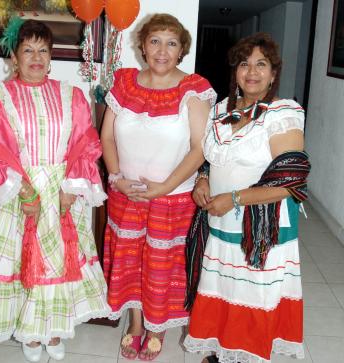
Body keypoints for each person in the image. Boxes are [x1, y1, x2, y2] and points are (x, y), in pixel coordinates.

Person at [0, 18, 110, 362]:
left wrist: (71, 187)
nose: (36, 57)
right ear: (14, 56)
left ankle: (53, 329)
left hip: (61, 192)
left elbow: (85, 142)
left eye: (43, 50)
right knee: (22, 264)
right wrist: (24, 190)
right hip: (17, 192)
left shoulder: (71, 95)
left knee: (57, 263)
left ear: (52, 56)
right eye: (28, 50)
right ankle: (30, 333)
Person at [184, 32, 311, 363]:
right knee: (225, 289)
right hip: (221, 219)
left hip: (261, 225)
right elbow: (212, 160)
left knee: (252, 294)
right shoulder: (222, 111)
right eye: (244, 64)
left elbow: (292, 181)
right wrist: (202, 179)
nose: (252, 72)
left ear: (273, 73)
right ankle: (223, 350)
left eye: (261, 64)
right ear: (235, 71)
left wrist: (235, 199)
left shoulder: (282, 112)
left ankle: (247, 354)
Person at [100, 13, 216, 361]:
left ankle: (156, 326)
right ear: (143, 46)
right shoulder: (123, 83)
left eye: (171, 43)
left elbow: (200, 148)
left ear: (182, 50)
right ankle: (136, 323)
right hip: (127, 195)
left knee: (162, 267)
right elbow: (106, 136)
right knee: (131, 262)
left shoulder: (193, 89)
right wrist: (117, 177)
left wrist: (163, 187)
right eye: (154, 41)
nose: (162, 50)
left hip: (173, 199)